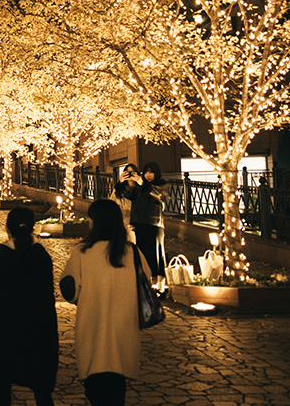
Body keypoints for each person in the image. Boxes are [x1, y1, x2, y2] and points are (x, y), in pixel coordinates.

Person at [60, 199, 152, 406]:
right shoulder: (133, 253)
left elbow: (71, 290)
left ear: (95, 222)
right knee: (117, 389)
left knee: (96, 389)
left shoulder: (83, 252)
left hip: (93, 327)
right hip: (124, 329)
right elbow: (146, 284)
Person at [0, 207, 58, 406]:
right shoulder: (41, 256)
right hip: (38, 331)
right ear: (32, 228)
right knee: (41, 389)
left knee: (3, 384)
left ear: (7, 228)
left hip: (5, 329)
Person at [115, 161, 167, 291]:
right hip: (139, 224)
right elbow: (127, 195)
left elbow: (159, 196)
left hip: (154, 224)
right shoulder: (139, 187)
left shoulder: (161, 185)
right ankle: (147, 285)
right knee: (143, 255)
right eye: (146, 172)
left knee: (157, 255)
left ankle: (161, 286)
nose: (148, 175)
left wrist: (143, 183)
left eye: (151, 172)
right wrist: (121, 182)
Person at [112, 164, 140, 244]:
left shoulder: (141, 188)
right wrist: (120, 183)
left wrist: (140, 181)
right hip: (124, 225)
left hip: (138, 224)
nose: (130, 175)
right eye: (127, 172)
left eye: (132, 172)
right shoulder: (120, 189)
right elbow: (112, 202)